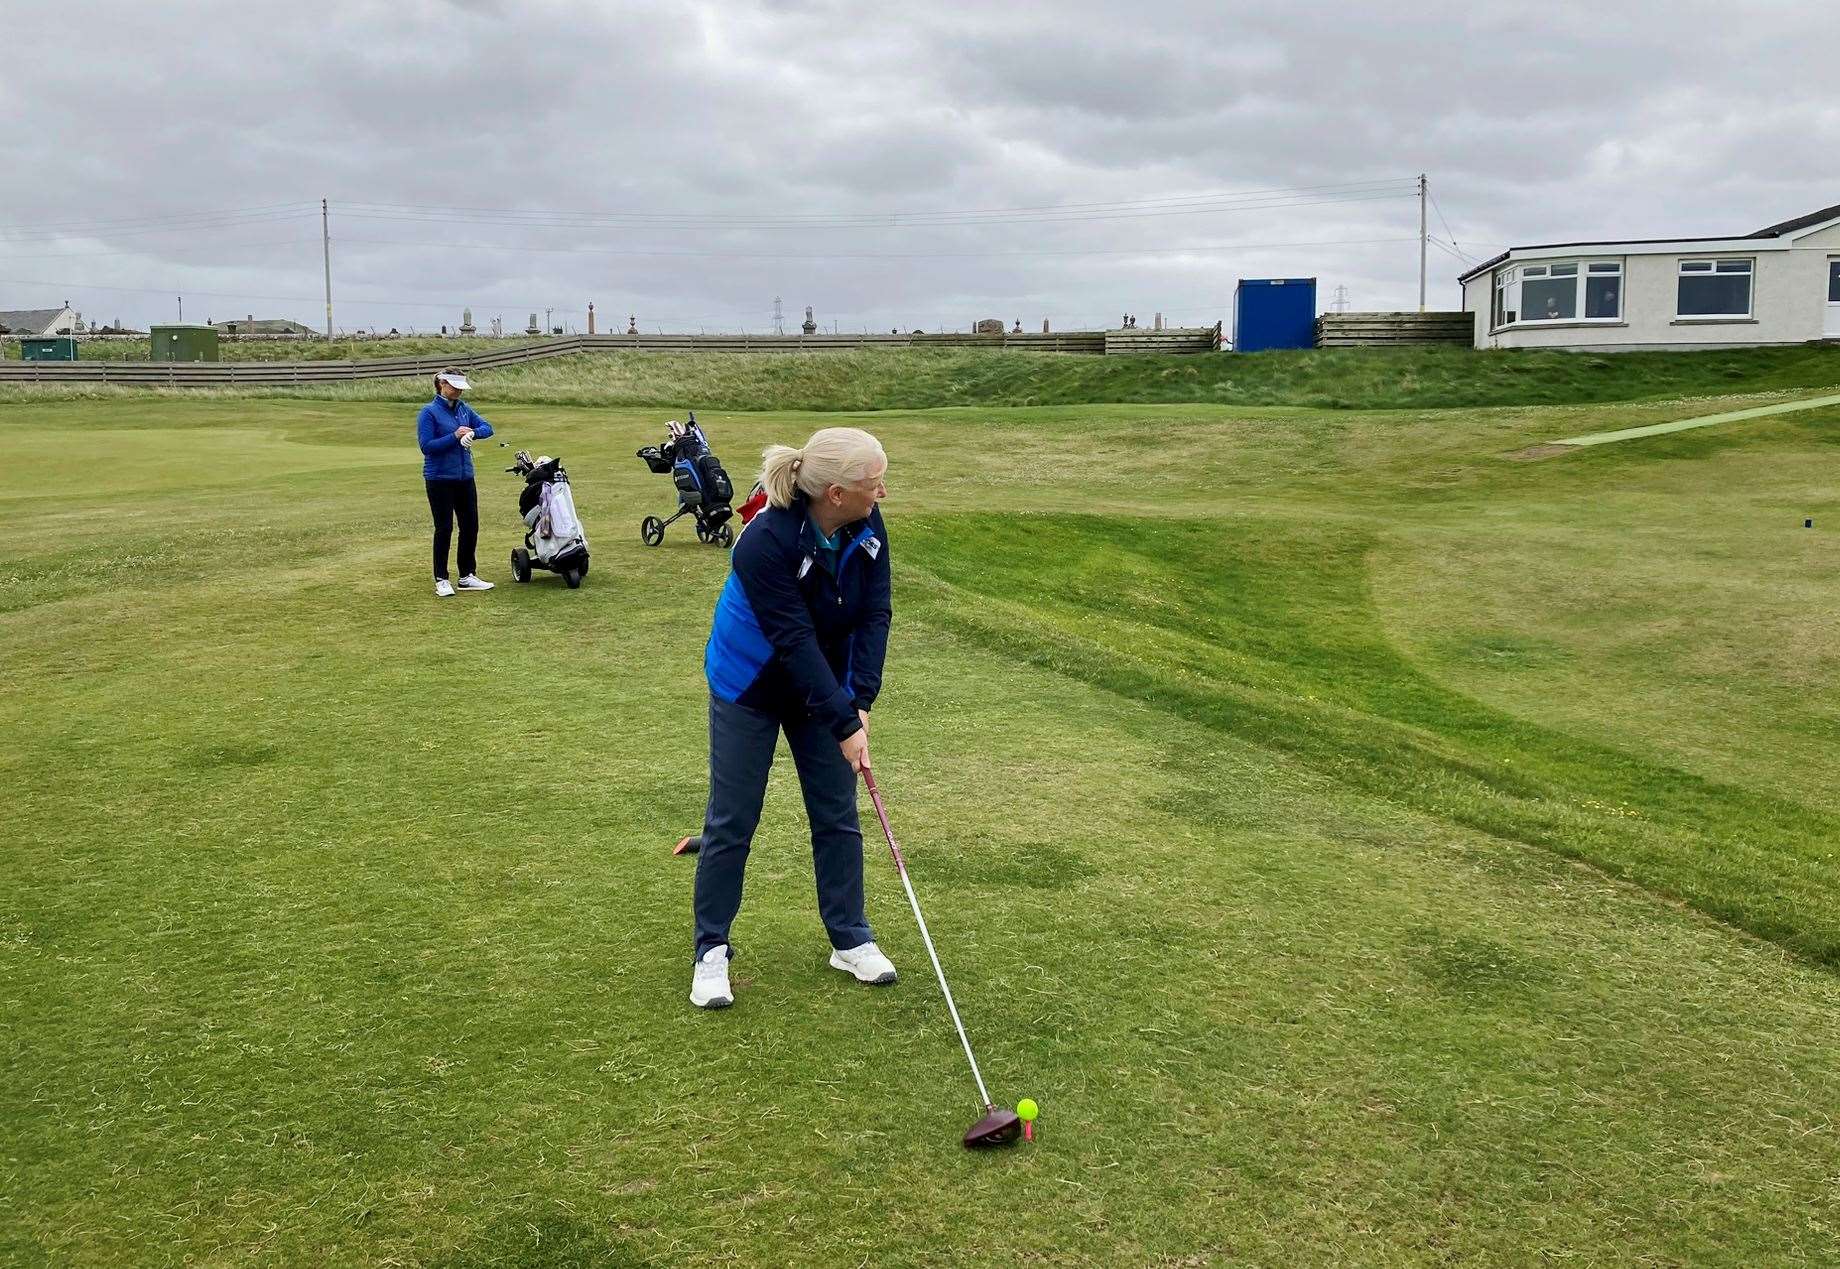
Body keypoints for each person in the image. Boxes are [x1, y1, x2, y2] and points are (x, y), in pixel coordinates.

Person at [687, 427, 893, 1009]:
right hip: (749, 684)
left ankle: (850, 938)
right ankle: (711, 950)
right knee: (732, 819)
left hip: (821, 683)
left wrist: (861, 703)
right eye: (874, 482)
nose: (882, 492)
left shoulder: (867, 525)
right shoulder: (764, 541)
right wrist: (844, 722)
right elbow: (792, 637)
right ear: (834, 492)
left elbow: (875, 613)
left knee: (836, 811)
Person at [416, 368, 495, 597]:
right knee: (444, 528)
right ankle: (441, 578)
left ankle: (467, 575)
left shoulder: (463, 409)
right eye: (455, 386)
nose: (459, 391)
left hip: (464, 477)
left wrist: (473, 434)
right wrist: (454, 437)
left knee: (470, 526)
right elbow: (427, 446)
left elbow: (488, 428)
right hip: (439, 478)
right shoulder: (429, 412)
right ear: (442, 384)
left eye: (461, 387)